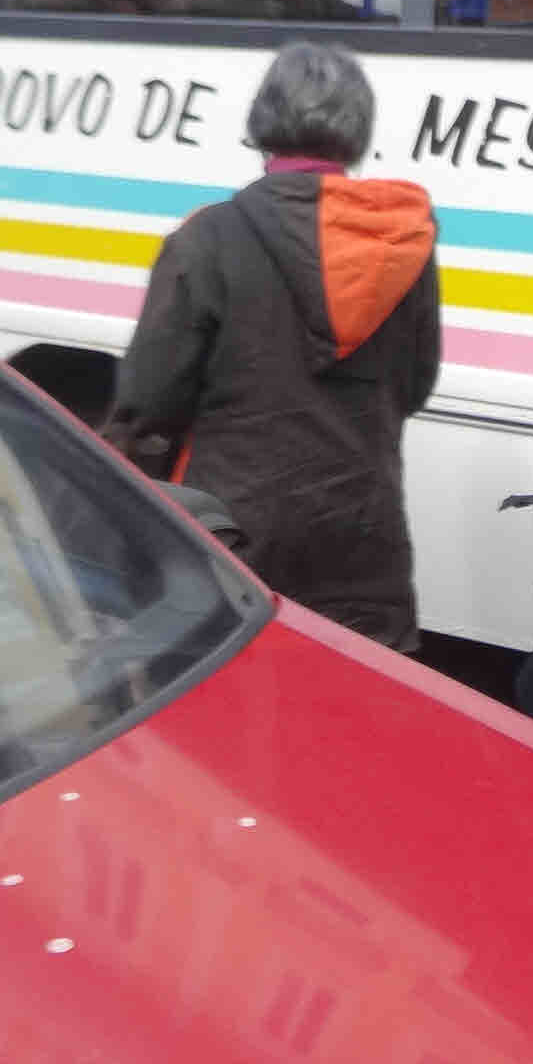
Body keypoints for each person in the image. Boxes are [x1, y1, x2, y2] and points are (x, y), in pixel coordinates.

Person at [107, 41, 440, 649]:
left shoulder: (207, 238)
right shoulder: (401, 244)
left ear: (263, 122)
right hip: (364, 535)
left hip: (236, 533)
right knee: (351, 694)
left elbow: (149, 399)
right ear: (357, 131)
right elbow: (414, 385)